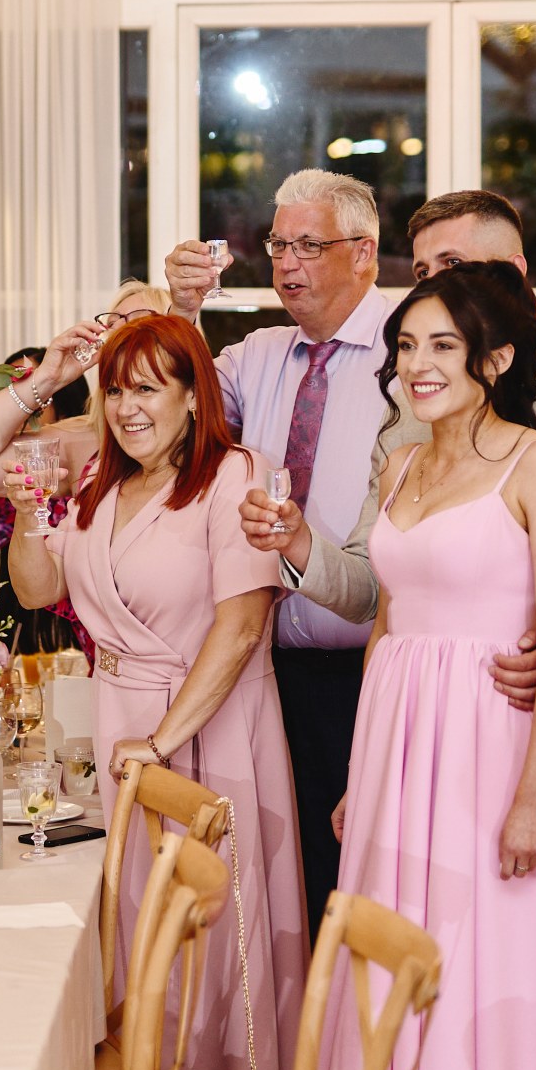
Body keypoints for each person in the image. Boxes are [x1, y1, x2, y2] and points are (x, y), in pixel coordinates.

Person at [252, 189, 536, 1059]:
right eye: (424, 271)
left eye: (456, 266)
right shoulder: (409, 415)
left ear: (517, 272)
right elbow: (379, 588)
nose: (436, 287)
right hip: (455, 749)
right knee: (463, 982)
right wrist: (298, 544)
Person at [315, 262, 536, 1070]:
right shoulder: (400, 465)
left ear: (498, 357)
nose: (418, 364)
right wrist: (363, 775)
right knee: (414, 1011)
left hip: (491, 757)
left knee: (499, 993)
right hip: (401, 761)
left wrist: (532, 801)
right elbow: (387, 625)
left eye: (443, 345)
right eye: (407, 345)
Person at [4, 314, 300, 1070]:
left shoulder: (236, 474)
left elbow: (241, 627)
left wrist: (164, 739)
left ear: (193, 396)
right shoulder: (101, 483)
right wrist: (29, 515)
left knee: (215, 938)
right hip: (121, 724)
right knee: (140, 935)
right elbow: (37, 590)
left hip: (209, 722)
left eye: (147, 388)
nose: (127, 407)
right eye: (115, 390)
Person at [158, 169, 392, 963]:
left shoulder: (411, 350)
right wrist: (183, 310)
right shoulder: (258, 354)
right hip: (266, 668)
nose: (287, 264)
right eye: (278, 245)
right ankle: (294, 1037)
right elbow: (174, 415)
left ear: (364, 252)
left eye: (308, 246)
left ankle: (367, 1040)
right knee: (283, 881)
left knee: (366, 884)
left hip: (372, 670)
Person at [0, 279, 173, 500]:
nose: (119, 335)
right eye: (112, 325)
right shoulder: (82, 440)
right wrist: (47, 379)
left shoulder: (195, 448)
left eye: (139, 324)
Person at [0, 345, 95, 664]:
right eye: (11, 392)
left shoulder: (77, 459)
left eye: (36, 391)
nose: (25, 401)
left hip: (78, 626)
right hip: (24, 617)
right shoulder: (15, 473)